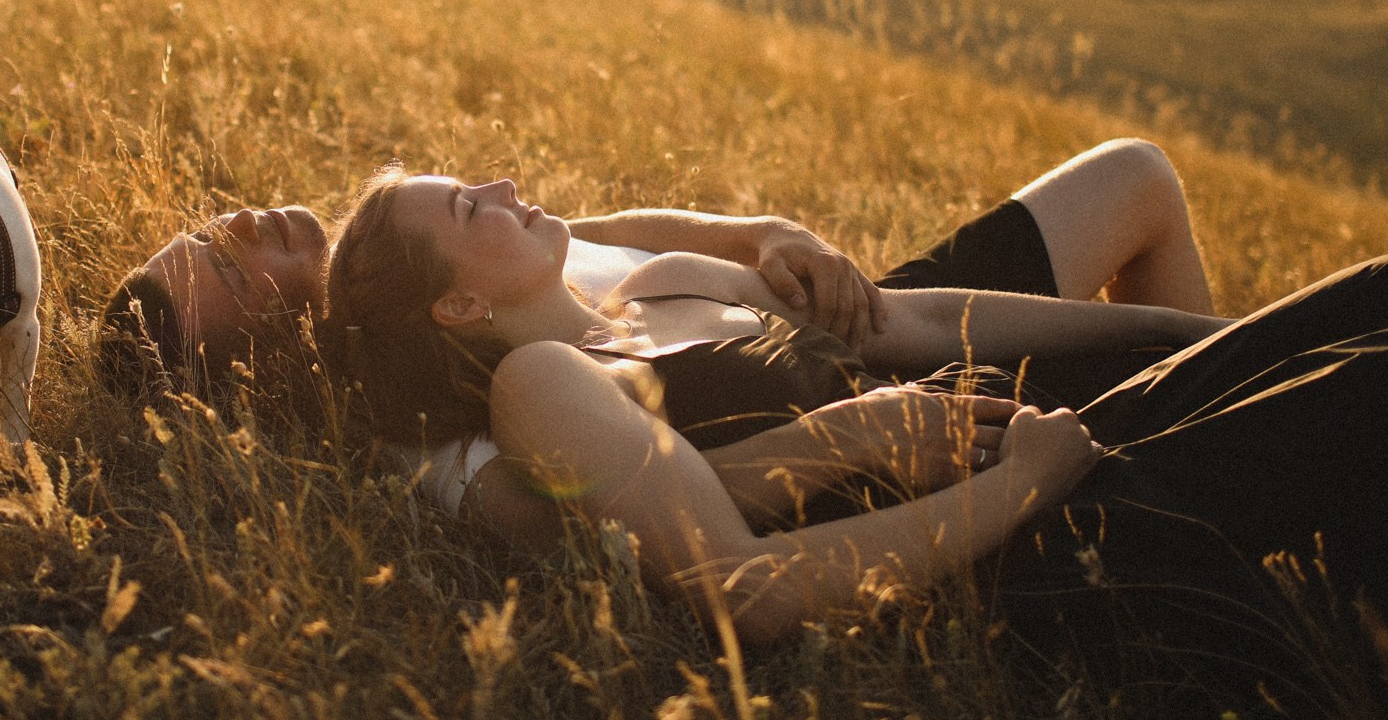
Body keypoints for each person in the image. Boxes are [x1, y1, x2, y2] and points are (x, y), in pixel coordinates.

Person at [321, 161, 1388, 720]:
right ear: (457, 305)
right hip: (1026, 549)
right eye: (467, 208)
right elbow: (747, 592)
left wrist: (1192, 336)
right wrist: (1030, 481)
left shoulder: (665, 283)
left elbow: (924, 323)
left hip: (1063, 437)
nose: (501, 187)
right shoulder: (540, 386)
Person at [105, 141, 1218, 514]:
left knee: (1137, 178)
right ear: (263, 354)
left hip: (828, 312)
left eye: (206, 231)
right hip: (819, 380)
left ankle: (1203, 359)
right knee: (1191, 381)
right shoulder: (435, 418)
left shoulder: (456, 239)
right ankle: (1207, 390)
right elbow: (642, 522)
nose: (239, 225)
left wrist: (773, 234)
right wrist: (845, 436)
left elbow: (643, 234)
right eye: (230, 268)